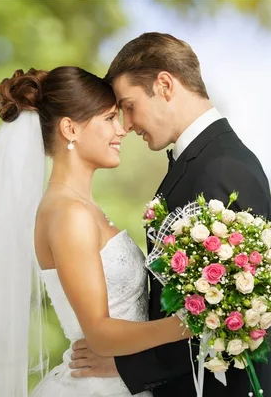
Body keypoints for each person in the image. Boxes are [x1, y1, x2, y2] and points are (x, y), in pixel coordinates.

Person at [0, 65, 193, 397]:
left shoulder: (82, 208)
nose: (122, 129)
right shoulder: (69, 214)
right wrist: (189, 323)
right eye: (109, 118)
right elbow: (99, 333)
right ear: (70, 129)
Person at [69, 32, 271, 397]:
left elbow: (237, 314)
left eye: (129, 105)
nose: (126, 125)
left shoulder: (223, 168)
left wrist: (127, 366)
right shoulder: (200, 161)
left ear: (164, 85)